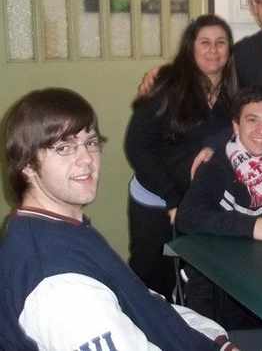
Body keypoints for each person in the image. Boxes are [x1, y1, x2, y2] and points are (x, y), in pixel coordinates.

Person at [0, 88, 234, 351]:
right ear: (27, 165)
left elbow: (143, 302)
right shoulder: (60, 287)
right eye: (64, 148)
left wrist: (218, 342)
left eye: (90, 143)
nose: (86, 159)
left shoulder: (62, 228)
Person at [125, 14, 237, 300]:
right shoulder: (166, 85)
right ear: (191, 47)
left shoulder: (235, 91)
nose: (213, 50)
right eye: (205, 43)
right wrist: (173, 200)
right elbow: (137, 146)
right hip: (156, 200)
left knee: (196, 280)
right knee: (152, 280)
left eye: (221, 42)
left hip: (201, 201)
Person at [176, 86, 262, 329]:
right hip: (220, 281)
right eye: (252, 120)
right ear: (236, 126)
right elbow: (187, 217)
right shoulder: (215, 166)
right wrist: (253, 226)